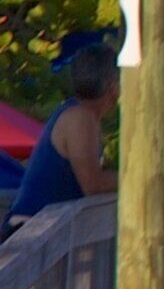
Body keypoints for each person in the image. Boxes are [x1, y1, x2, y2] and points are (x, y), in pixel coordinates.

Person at [8, 39, 109, 231]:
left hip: (46, 230)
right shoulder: (79, 117)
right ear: (114, 87)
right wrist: (139, 180)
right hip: (31, 231)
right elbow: (93, 183)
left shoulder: (80, 114)